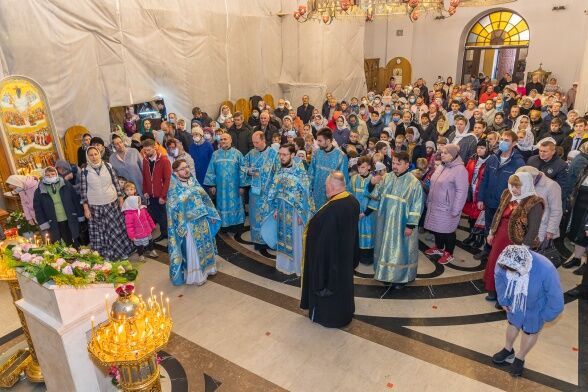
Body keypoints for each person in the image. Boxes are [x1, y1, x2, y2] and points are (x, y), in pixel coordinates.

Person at [492, 245, 564, 377]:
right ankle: (508, 349)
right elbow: (499, 277)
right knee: (512, 323)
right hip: (515, 301)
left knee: (529, 331)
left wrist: (545, 316)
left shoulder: (546, 268)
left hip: (536, 306)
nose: (508, 271)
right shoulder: (506, 259)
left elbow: (556, 298)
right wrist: (503, 300)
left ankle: (520, 357)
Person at [300, 171, 359, 328]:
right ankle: (345, 313)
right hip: (344, 258)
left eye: (326, 186)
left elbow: (324, 242)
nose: (325, 189)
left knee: (332, 290)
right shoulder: (352, 200)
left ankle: (327, 317)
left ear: (332, 186)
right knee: (344, 286)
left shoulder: (332, 210)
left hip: (331, 263)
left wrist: (318, 266)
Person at [484, 172, 544, 304]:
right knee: (495, 262)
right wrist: (491, 232)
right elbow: (498, 213)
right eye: (512, 185)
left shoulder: (534, 202)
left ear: (526, 185)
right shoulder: (507, 194)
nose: (514, 189)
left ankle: (505, 298)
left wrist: (524, 247)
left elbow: (534, 227)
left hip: (517, 241)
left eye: (518, 186)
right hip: (500, 235)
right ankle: (493, 290)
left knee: (510, 269)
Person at [368, 151, 424, 287]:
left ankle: (401, 277)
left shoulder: (414, 183)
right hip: (385, 222)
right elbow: (375, 195)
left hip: (402, 223)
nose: (395, 166)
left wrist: (410, 225)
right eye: (393, 163)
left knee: (401, 250)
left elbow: (418, 205)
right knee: (384, 247)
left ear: (407, 165)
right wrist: (371, 184)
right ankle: (384, 274)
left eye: (398, 164)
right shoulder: (386, 177)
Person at [167, 159, 221, 285]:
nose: (186, 170)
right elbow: (172, 209)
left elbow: (204, 198)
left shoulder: (193, 180)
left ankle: (209, 270)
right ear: (175, 173)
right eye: (182, 169)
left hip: (203, 219)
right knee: (194, 250)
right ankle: (197, 276)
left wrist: (211, 213)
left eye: (187, 167)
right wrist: (182, 225)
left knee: (206, 245)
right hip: (189, 224)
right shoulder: (174, 189)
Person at [476, 131, 525, 261]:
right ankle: (487, 250)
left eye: (507, 140)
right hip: (489, 200)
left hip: (505, 204)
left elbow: (519, 186)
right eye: (502, 139)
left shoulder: (518, 163)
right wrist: (480, 198)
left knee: (500, 230)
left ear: (514, 143)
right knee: (488, 227)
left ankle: (497, 253)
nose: (503, 142)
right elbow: (484, 179)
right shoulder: (493, 158)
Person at [266, 143, 314, 275]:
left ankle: (296, 266)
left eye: (284, 154)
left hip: (295, 212)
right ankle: (285, 265)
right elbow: (275, 189)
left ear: (292, 155)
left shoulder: (300, 171)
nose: (281, 157)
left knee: (295, 238)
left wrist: (302, 214)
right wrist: (275, 208)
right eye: (280, 154)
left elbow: (306, 193)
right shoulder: (279, 169)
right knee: (282, 237)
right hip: (281, 210)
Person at [81, 146, 133, 260]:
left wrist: (121, 200)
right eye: (91, 155)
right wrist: (86, 208)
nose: (94, 157)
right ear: (87, 157)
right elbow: (83, 191)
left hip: (112, 203)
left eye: (96, 154)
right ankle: (105, 255)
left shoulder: (108, 167)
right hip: (95, 206)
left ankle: (120, 253)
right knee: (101, 232)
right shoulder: (85, 171)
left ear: (99, 154)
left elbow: (116, 183)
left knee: (115, 229)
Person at [424, 144, 469, 264]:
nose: (442, 155)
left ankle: (449, 252)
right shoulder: (441, 166)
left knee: (448, 231)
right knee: (437, 229)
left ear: (453, 155)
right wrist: (429, 200)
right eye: (442, 152)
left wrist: (456, 209)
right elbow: (433, 184)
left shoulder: (460, 170)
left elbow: (462, 191)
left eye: (445, 153)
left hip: (448, 207)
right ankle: (439, 247)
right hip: (436, 204)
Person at [244, 131, 280, 250]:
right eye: (253, 142)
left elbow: (278, 173)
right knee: (255, 218)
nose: (255, 145)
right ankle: (258, 241)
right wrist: (250, 172)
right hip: (255, 194)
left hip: (269, 194)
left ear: (263, 140)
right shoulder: (251, 153)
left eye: (257, 142)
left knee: (268, 218)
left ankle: (269, 240)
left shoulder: (273, 154)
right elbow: (243, 167)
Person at [204, 133, 246, 232]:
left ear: (230, 140)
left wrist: (242, 186)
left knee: (236, 205)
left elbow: (243, 170)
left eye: (225, 139)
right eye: (221, 139)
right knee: (221, 206)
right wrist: (212, 185)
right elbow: (211, 170)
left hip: (235, 188)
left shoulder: (237, 154)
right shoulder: (215, 154)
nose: (223, 141)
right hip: (221, 188)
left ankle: (236, 226)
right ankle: (224, 226)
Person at [33, 166, 83, 247]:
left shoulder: (66, 184)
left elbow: (75, 200)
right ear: (44, 176)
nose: (50, 176)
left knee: (73, 242)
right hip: (52, 222)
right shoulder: (39, 190)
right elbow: (38, 209)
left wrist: (80, 215)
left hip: (69, 218)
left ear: (56, 174)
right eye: (48, 175)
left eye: (52, 174)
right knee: (58, 244)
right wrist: (43, 223)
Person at [516, 166, 562, 243]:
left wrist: (550, 230)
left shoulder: (552, 186)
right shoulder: (528, 184)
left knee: (535, 251)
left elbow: (556, 210)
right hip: (526, 225)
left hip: (542, 227)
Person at [308, 128, 349, 208]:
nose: (317, 143)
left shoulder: (341, 156)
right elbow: (311, 174)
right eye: (317, 140)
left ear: (328, 141)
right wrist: (309, 191)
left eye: (320, 141)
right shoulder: (316, 153)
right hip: (316, 194)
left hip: (331, 197)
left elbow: (343, 180)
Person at [141, 138, 172, 242]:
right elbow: (145, 176)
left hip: (160, 194)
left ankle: (165, 234)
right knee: (155, 214)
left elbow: (167, 180)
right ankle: (162, 232)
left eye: (148, 150)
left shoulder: (164, 160)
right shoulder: (145, 160)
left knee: (163, 216)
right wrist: (145, 190)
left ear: (154, 147)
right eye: (145, 150)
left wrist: (163, 196)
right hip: (150, 193)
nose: (146, 152)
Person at [121, 183, 157, 261]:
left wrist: (152, 225)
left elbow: (148, 217)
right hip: (138, 232)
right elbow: (129, 225)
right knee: (139, 244)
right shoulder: (129, 214)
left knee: (150, 240)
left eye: (139, 201)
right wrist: (131, 235)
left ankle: (151, 250)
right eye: (127, 190)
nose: (138, 203)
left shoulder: (142, 209)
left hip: (146, 229)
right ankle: (140, 255)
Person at [351, 156, 376, 265]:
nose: (360, 170)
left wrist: (365, 213)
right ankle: (358, 254)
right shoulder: (354, 178)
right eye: (359, 167)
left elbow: (376, 199)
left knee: (368, 233)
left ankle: (367, 256)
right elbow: (350, 193)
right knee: (357, 234)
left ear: (369, 167)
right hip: (355, 212)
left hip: (368, 214)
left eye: (363, 167)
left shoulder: (373, 180)